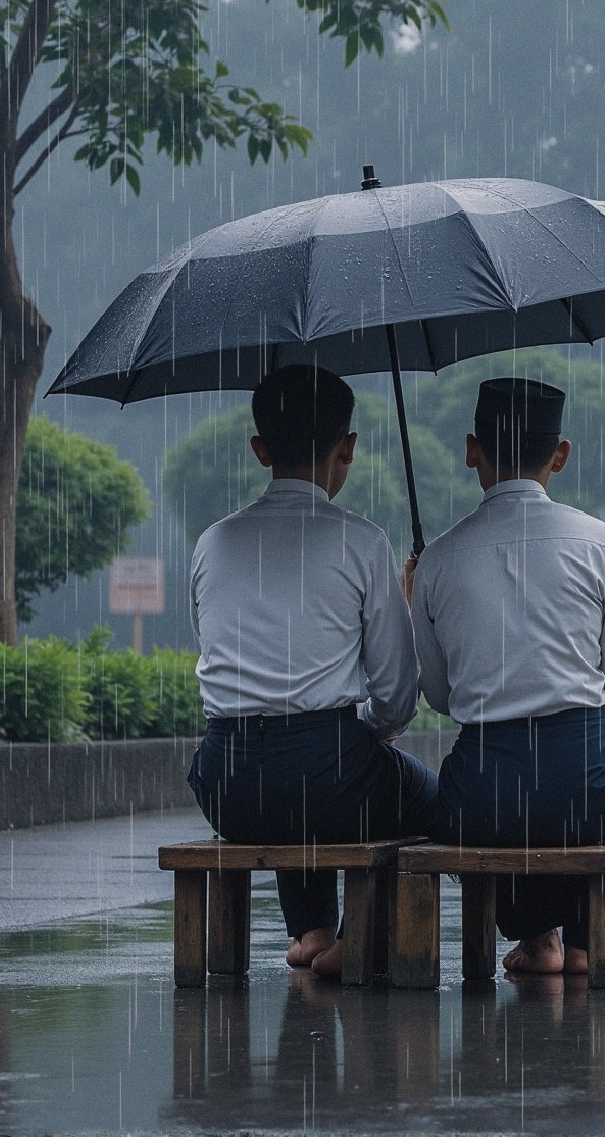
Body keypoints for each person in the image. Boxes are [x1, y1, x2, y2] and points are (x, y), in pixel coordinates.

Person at [410, 377, 605, 976]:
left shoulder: (437, 558)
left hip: (484, 791)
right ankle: (592, 940)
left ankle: (538, 940)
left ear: (472, 449)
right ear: (559, 455)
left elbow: (438, 696)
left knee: (511, 802)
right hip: (583, 779)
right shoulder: (600, 543)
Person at [187, 365, 434, 980]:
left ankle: (311, 930)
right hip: (327, 781)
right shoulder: (362, 542)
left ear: (260, 449)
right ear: (347, 446)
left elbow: (229, 668)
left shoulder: (212, 543)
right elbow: (398, 695)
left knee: (303, 765)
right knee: (427, 799)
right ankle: (361, 937)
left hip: (226, 786)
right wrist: (369, 728)